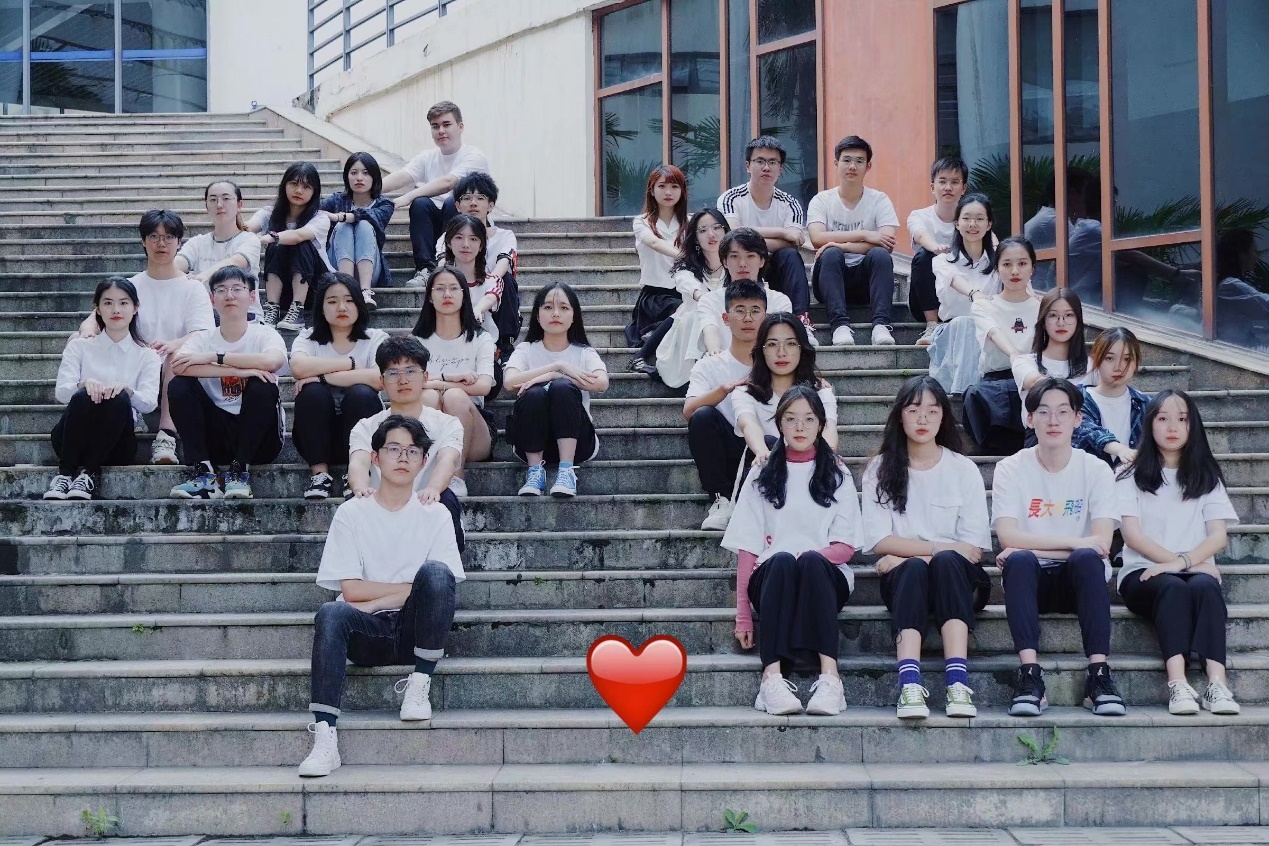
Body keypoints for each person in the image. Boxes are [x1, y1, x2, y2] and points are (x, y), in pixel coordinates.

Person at [299, 415, 463, 778]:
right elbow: (351, 591)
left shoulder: (436, 514)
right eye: (393, 449)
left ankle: (419, 683)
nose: (403, 457)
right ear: (375, 457)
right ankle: (324, 736)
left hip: (414, 633)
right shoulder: (351, 513)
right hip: (366, 633)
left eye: (412, 451)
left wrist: (375, 600)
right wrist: (402, 593)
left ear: (423, 461)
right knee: (331, 613)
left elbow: (441, 589)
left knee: (436, 574)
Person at [723, 385, 863, 717]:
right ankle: (771, 680)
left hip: (824, 578)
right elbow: (748, 548)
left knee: (810, 560)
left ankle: (831, 679)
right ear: (779, 424)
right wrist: (743, 615)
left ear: (821, 424)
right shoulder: (762, 472)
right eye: (791, 419)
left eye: (809, 419)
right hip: (775, 579)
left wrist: (807, 557)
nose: (800, 427)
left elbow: (845, 547)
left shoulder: (837, 472)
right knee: (782, 560)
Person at [993, 377, 1125, 717]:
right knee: (1020, 561)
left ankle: (1099, 675)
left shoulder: (1096, 469)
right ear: (1029, 419)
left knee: (1085, 560)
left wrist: (1033, 546)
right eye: (1044, 412)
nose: (1053, 420)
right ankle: (1030, 676)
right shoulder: (1010, 468)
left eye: (1063, 412)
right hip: (1030, 583)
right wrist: (1075, 542)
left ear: (1078, 419)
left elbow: (1101, 544)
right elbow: (1007, 537)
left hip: (1080, 582)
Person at [862, 376, 991, 719]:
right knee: (920, 567)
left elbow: (972, 550)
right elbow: (879, 540)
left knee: (945, 563)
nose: (923, 419)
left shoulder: (962, 469)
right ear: (899, 416)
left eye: (932, 411)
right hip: (907, 582)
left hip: (960, 581)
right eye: (914, 410)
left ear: (943, 417)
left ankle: (957, 682)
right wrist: (936, 549)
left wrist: (909, 553)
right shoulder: (879, 469)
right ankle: (909, 685)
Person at [1116, 389, 1240, 716]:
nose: (1173, 427)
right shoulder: (1128, 474)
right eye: (1163, 418)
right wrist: (1177, 565)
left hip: (1194, 570)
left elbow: (1218, 537)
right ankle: (1177, 684)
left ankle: (1217, 684)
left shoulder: (1207, 475)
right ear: (1149, 424)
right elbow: (1132, 536)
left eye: (1182, 419)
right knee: (1172, 586)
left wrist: (1181, 563)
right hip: (1142, 573)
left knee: (1205, 587)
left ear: (1192, 426)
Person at [77, 208, 214, 466]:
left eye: (169, 237)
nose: (161, 243)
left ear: (179, 242)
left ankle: (166, 435)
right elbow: (97, 315)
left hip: (178, 367)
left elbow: (204, 333)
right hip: (138, 362)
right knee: (94, 341)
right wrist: (86, 331)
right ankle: (124, 411)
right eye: (154, 236)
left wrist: (174, 343)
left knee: (175, 354)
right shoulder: (132, 285)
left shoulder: (192, 288)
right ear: (143, 241)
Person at [167, 267, 287, 500]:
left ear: (252, 296)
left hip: (261, 441)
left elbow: (273, 361)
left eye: (236, 289)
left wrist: (216, 357)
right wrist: (237, 371)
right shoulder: (202, 338)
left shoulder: (265, 334)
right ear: (212, 299)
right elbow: (178, 366)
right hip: (216, 437)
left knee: (262, 384)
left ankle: (240, 471)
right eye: (221, 290)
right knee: (179, 386)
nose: (229, 295)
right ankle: (205, 474)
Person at [45, 278, 161, 500]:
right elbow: (62, 393)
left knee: (119, 397)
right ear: (97, 308)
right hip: (72, 440)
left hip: (116, 444)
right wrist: (83, 385)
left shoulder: (147, 355)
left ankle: (89, 474)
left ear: (135, 307)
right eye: (108, 303)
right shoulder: (79, 347)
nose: (116, 310)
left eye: (123, 303)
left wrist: (127, 390)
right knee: (83, 393)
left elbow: (148, 404)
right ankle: (65, 475)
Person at [347, 336, 467, 550]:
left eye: (411, 371)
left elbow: (447, 461)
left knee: (446, 499)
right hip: (381, 504)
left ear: (425, 377)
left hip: (426, 502)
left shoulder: (448, 423)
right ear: (382, 381)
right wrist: (360, 489)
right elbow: (359, 462)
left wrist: (433, 489)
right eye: (393, 373)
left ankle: (446, 566)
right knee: (353, 503)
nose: (403, 380)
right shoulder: (365, 426)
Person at [504, 282, 609, 498]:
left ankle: (566, 472)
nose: (556, 314)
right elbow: (509, 382)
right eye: (548, 307)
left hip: (578, 443)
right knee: (534, 393)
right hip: (530, 443)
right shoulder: (526, 350)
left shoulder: (584, 352)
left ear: (574, 315)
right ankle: (534, 473)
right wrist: (556, 367)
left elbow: (601, 383)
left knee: (562, 388)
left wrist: (558, 376)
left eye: (563, 307)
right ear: (537, 315)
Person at [289, 272, 388, 500]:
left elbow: (378, 379)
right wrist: (350, 364)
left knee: (361, 394)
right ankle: (319, 475)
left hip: (363, 437)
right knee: (311, 393)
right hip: (316, 435)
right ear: (321, 308)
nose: (341, 307)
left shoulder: (375, 338)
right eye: (332, 301)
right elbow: (298, 368)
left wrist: (322, 377)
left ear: (359, 304)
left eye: (349, 300)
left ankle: (356, 472)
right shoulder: (308, 338)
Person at [684, 280, 768, 531]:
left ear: (766, 317)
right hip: (726, 449)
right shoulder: (709, 365)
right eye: (740, 310)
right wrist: (721, 391)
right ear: (726, 318)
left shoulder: (778, 361)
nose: (748, 318)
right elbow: (689, 411)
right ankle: (721, 499)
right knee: (702, 416)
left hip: (766, 449)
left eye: (755, 311)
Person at [807, 136, 900, 346]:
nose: (852, 166)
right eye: (847, 160)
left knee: (880, 255)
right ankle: (839, 326)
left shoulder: (879, 200)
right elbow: (817, 238)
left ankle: (881, 325)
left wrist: (841, 245)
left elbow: (886, 242)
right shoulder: (822, 200)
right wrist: (865, 235)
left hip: (865, 283)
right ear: (836, 163)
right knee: (831, 254)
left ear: (868, 166)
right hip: (829, 279)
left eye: (859, 161)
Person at [382, 101, 490, 283]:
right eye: (435, 126)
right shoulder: (428, 157)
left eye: (446, 124)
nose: (441, 131)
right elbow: (403, 176)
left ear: (460, 127)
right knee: (421, 204)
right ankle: (425, 269)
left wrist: (408, 196)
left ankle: (451, 264)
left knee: (452, 201)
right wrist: (367, 188)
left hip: (465, 222)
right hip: (434, 224)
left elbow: (448, 183)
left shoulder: (474, 156)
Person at [718, 136, 814, 339]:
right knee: (739, 252)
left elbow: (794, 241)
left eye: (773, 162)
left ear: (780, 168)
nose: (766, 168)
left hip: (775, 268)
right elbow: (733, 236)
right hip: (740, 267)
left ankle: (801, 322)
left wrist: (752, 241)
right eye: (760, 161)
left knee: (790, 255)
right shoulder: (731, 198)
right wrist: (781, 233)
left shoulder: (790, 204)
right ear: (748, 165)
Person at [411, 266, 496, 496]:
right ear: (430, 296)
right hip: (430, 420)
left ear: (464, 295)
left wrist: (437, 383)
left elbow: (483, 386)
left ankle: (456, 478)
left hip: (473, 431)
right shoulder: (417, 340)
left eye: (453, 288)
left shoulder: (481, 338)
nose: (447, 294)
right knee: (428, 397)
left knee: (454, 397)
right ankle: (425, 473)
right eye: (440, 289)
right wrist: (450, 378)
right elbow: (408, 383)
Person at [961, 237, 1043, 454]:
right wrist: (1014, 355)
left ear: (1033, 268)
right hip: (995, 381)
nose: (1015, 271)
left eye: (1022, 263)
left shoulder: (1044, 307)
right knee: (974, 395)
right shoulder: (984, 305)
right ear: (997, 269)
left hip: (1033, 378)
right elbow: (993, 331)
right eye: (1007, 264)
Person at [733, 313, 838, 466]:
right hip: (766, 467)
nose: (781, 353)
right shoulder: (745, 393)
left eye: (791, 344)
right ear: (761, 350)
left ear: (802, 348)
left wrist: (826, 459)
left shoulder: (821, 393)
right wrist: (762, 452)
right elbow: (748, 424)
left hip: (810, 466)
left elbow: (829, 429)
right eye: (772, 344)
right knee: (770, 442)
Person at [638, 207, 728, 382]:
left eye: (717, 227)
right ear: (695, 238)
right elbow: (688, 285)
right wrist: (701, 296)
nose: (711, 234)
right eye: (703, 230)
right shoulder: (686, 268)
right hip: (688, 336)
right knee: (697, 314)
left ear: (726, 230)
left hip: (727, 328)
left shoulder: (736, 265)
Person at [440, 172, 520, 360]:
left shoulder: (504, 236)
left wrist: (487, 286)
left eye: (480, 198)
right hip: (460, 287)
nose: (473, 203)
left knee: (506, 279)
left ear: (491, 205)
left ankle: (505, 346)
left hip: (494, 292)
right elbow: (443, 265)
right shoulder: (447, 237)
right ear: (457, 205)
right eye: (467, 198)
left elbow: (502, 264)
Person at [928, 193, 1000, 394]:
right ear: (957, 223)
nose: (972, 224)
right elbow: (953, 279)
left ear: (989, 224)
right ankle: (968, 392)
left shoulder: (1000, 262)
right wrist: (975, 294)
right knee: (965, 324)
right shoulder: (942, 261)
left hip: (990, 333)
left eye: (979, 219)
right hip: (953, 333)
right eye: (966, 218)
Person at [248, 162, 334, 331]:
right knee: (277, 245)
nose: (299, 190)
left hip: (316, 289)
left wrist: (269, 237)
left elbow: (297, 236)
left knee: (298, 242)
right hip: (283, 289)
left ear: (314, 191)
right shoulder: (269, 213)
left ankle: (297, 311)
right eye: (294, 184)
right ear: (284, 185)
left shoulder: (320, 218)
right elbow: (249, 226)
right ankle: (272, 308)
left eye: (306, 186)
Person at [695, 228, 793, 358]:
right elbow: (710, 329)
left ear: (762, 261)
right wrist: (715, 353)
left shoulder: (779, 301)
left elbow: (779, 337)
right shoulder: (710, 300)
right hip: (723, 362)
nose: (742, 264)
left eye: (750, 256)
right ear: (725, 262)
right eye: (734, 256)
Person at [175, 180, 263, 321]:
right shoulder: (197, 242)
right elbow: (177, 264)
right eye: (213, 200)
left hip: (245, 318)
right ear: (206, 206)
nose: (219, 205)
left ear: (239, 204)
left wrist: (204, 275)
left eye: (226, 198)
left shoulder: (249, 240)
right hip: (205, 317)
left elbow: (236, 261)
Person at [319, 152, 395, 309]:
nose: (359, 178)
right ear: (347, 176)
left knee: (364, 225)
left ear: (374, 177)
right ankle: (346, 288)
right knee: (343, 226)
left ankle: (365, 291)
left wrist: (340, 217)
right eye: (354, 173)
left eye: (365, 173)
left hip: (369, 271)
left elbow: (366, 215)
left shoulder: (385, 204)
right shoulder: (337, 200)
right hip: (337, 268)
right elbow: (313, 211)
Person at [907, 156, 969, 345]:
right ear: (933, 187)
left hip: (961, 296)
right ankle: (932, 324)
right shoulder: (919, 215)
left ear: (964, 188)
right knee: (924, 256)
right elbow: (920, 235)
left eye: (955, 182)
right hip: (925, 300)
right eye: (942, 182)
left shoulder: (971, 219)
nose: (948, 187)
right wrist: (936, 248)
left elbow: (992, 245)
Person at [1012, 289, 1092, 433]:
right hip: (1039, 436)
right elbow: (1036, 383)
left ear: (1078, 321)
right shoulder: (1024, 363)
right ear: (1043, 321)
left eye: (1069, 315)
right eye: (1053, 315)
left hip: (1083, 435)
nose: (1061, 323)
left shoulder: (1091, 366)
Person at [626, 164, 688, 348]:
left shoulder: (691, 222)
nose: (668, 192)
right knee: (678, 310)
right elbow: (654, 243)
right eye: (662, 186)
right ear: (652, 190)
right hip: (654, 296)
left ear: (682, 191)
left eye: (674, 186)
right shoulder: (641, 222)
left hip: (684, 291)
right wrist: (684, 255)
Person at [1073, 327, 1148, 468]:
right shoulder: (1076, 399)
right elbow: (1088, 430)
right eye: (1109, 358)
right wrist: (1120, 450)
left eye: (1127, 359)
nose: (1118, 367)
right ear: (1097, 360)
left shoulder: (1145, 404)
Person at [437, 214, 503, 342]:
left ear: (481, 246)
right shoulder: (438, 282)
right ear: (449, 243)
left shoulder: (493, 281)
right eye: (459, 237)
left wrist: (478, 309)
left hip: (481, 344)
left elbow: (490, 297)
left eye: (473, 239)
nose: (465, 245)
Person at [1214, 229, 1269, 347]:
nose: (1256, 256)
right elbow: (1265, 305)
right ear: (1242, 255)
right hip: (1233, 350)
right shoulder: (1230, 285)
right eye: (1254, 251)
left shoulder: (1229, 283)